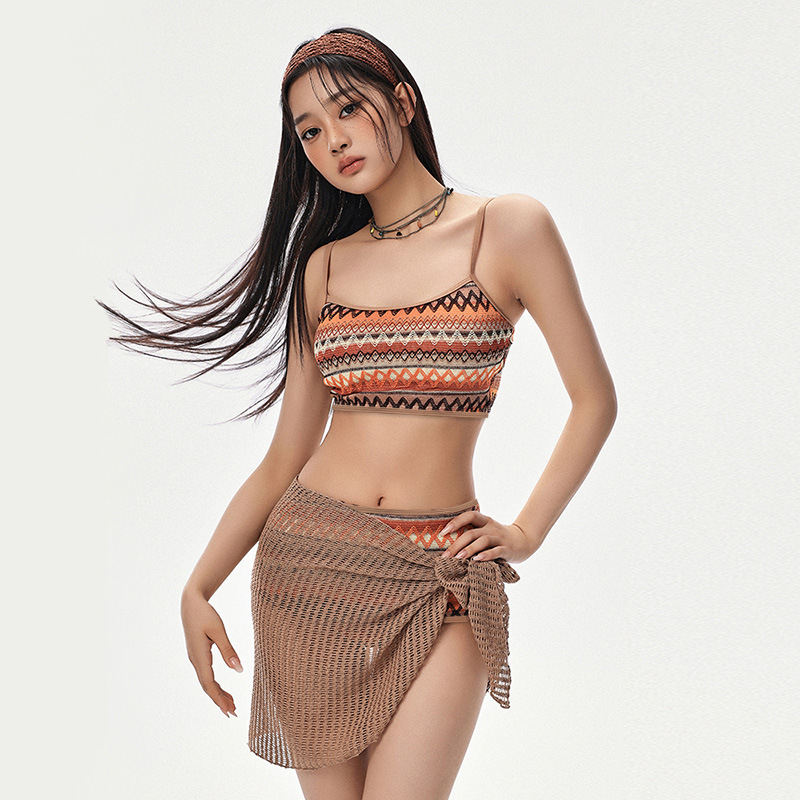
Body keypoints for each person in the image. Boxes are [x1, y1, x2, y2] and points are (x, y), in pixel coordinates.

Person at [99, 26, 617, 800]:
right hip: (308, 573)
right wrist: (198, 586)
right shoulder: (325, 268)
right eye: (309, 131)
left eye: (347, 109)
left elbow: (594, 400)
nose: (333, 140)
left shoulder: (506, 229)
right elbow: (284, 458)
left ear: (401, 102)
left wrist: (526, 531)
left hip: (439, 572)